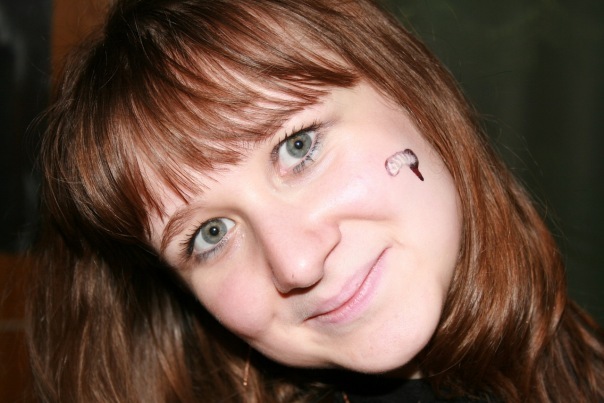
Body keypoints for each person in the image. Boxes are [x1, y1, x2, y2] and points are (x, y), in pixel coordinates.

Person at [28, 0, 604, 401]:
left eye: (297, 146)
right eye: (211, 234)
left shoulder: (576, 363)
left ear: (409, 88)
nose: (297, 264)